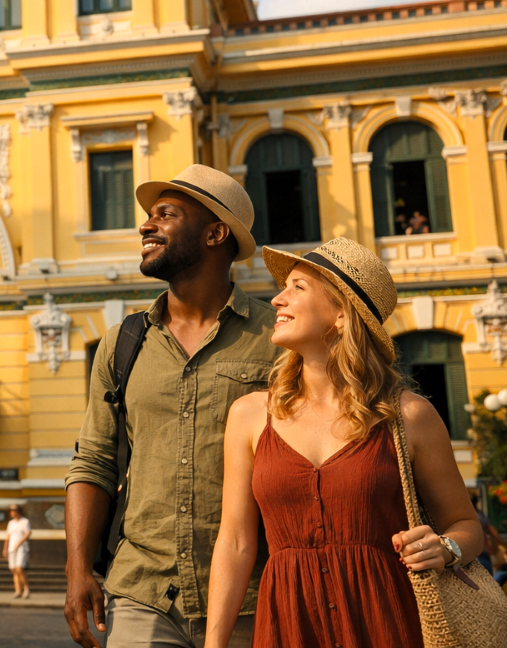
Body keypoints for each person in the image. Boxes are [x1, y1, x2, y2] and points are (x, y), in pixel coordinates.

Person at [204, 237, 482, 648]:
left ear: (340, 314)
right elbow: (236, 541)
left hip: (387, 624)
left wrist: (445, 548)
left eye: (297, 287)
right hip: (288, 628)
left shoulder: (408, 415)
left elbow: (468, 526)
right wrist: (214, 644)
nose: (277, 299)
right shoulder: (249, 415)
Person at [65, 164, 279, 648]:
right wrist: (77, 571)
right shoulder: (122, 344)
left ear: (214, 233)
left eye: (165, 214)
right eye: (148, 216)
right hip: (142, 592)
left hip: (253, 594)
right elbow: (94, 462)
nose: (145, 225)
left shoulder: (278, 339)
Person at [3, 504, 32, 599]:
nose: (11, 512)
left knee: (20, 568)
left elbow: (28, 533)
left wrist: (20, 542)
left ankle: (26, 589)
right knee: (14, 570)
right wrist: (5, 548)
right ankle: (18, 590)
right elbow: (8, 536)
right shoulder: (10, 523)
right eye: (10, 510)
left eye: (13, 510)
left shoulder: (24, 521)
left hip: (21, 548)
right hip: (11, 548)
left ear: (18, 511)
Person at [473, 491, 504, 572]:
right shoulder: (480, 515)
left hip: (468, 553)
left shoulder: (463, 517)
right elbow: (494, 533)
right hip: (482, 552)